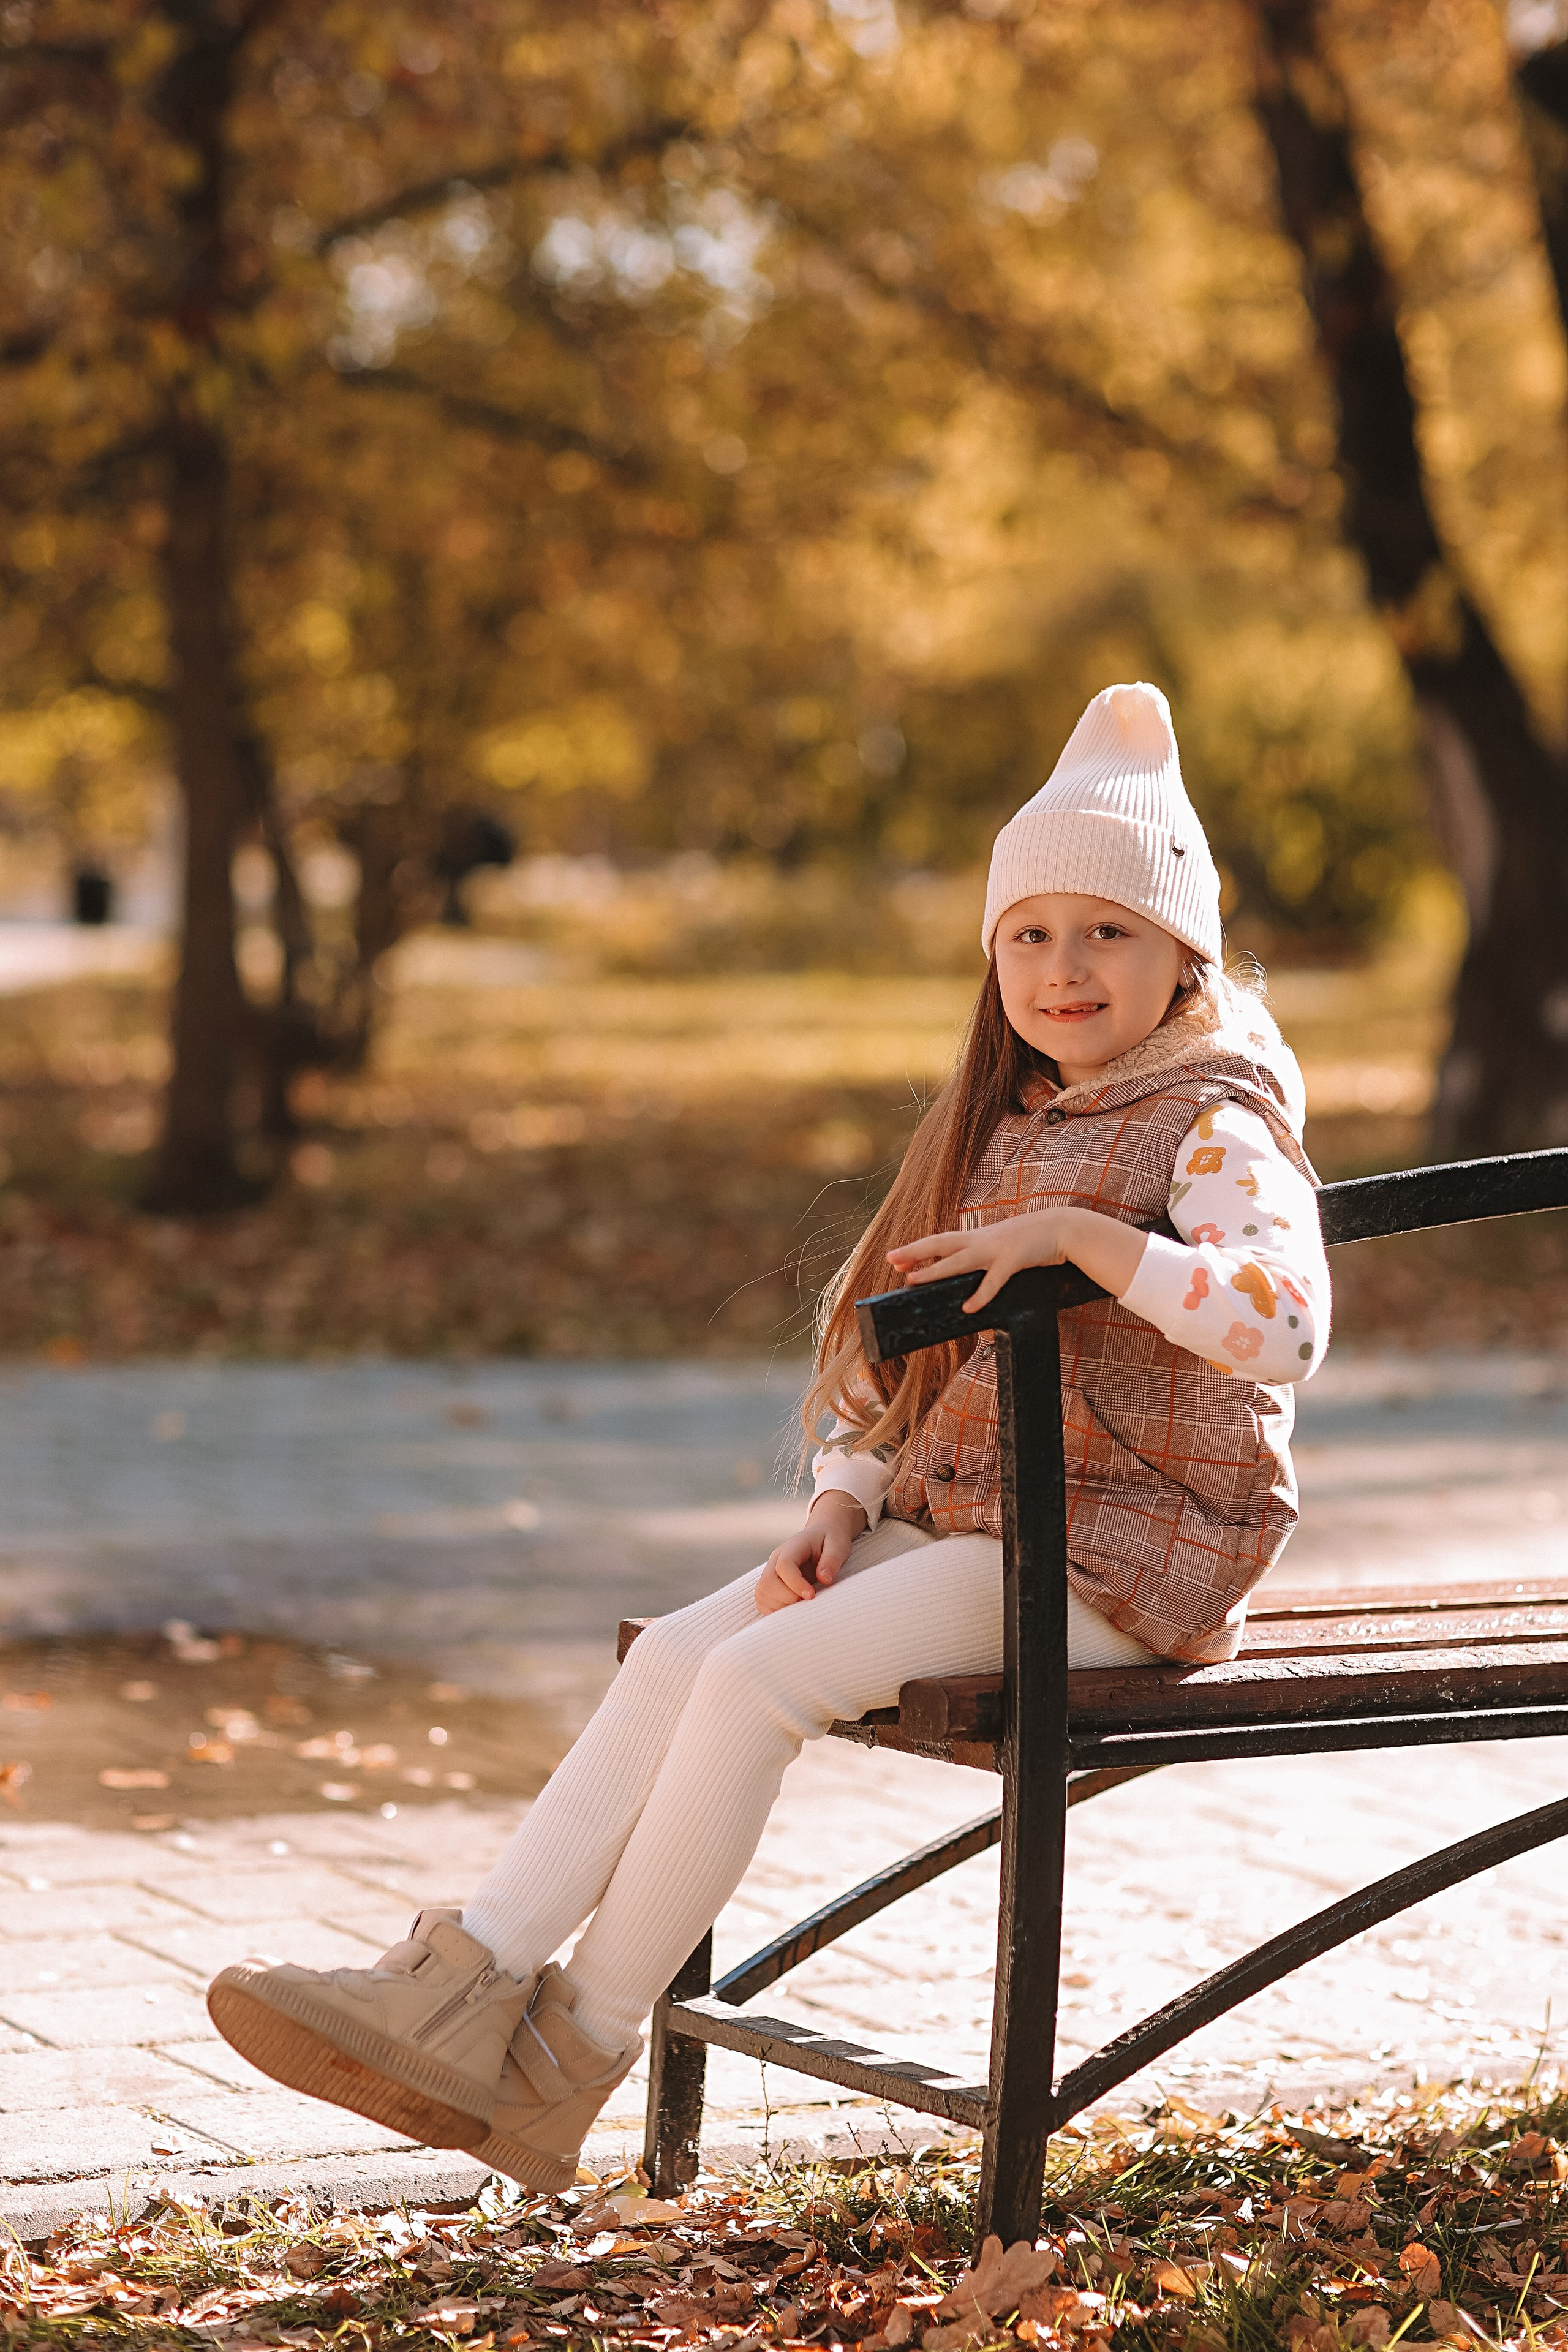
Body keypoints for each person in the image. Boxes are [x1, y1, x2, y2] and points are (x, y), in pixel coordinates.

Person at [206, 681, 1330, 2190]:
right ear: (992, 955)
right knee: (680, 1652)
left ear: (1177, 948)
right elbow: (916, 1347)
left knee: (752, 1682)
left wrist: (1091, 1237)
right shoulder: (1023, 1112)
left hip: (1128, 1563)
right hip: (982, 1522)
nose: (1064, 969)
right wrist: (848, 1491)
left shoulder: (1211, 1120)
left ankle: (566, 2061)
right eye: (1029, 935)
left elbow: (1287, 1322)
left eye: (1107, 933)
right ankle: (454, 1990)